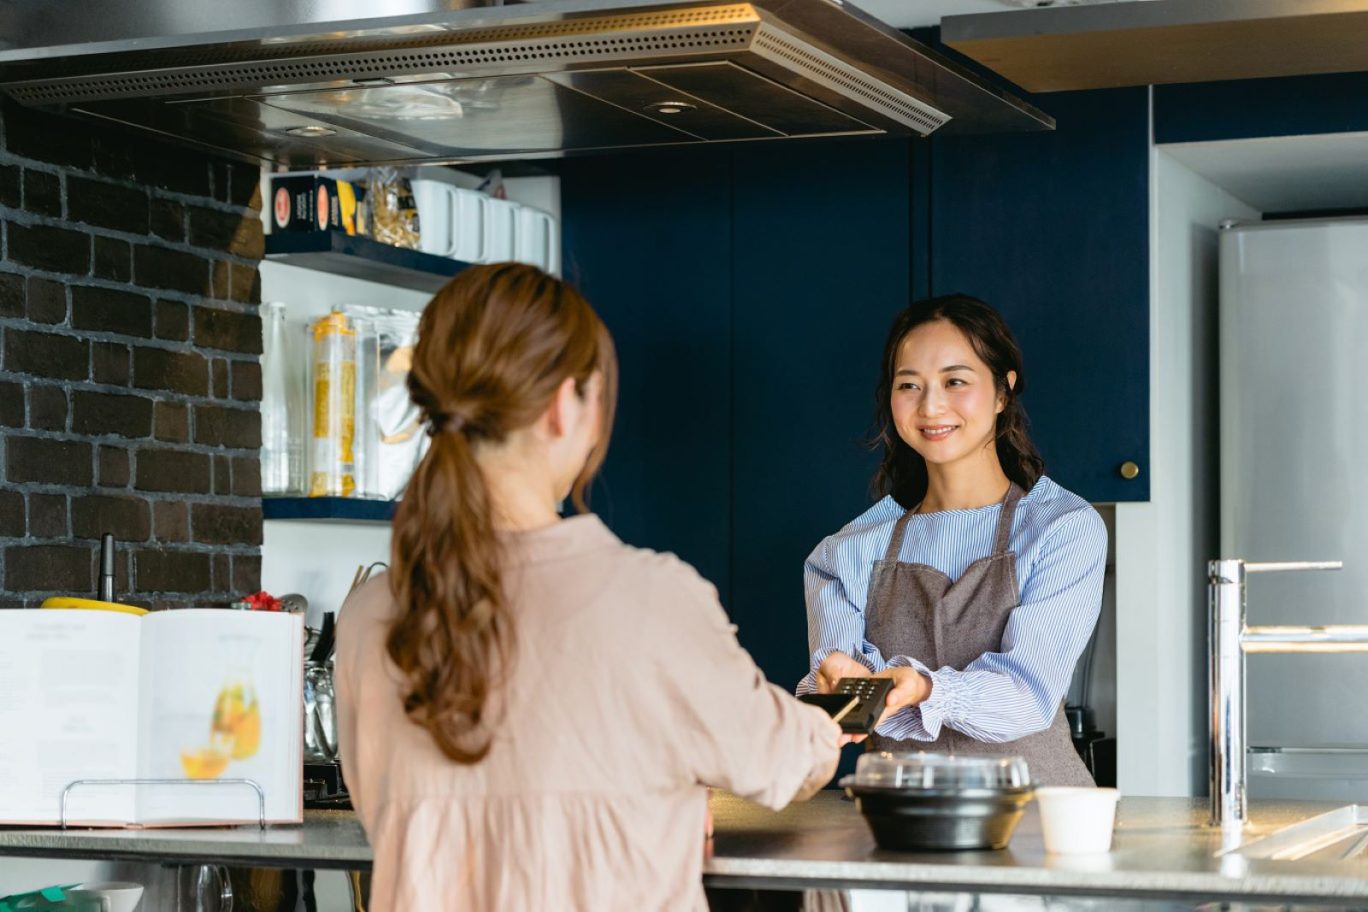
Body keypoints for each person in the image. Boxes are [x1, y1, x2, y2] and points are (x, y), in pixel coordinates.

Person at [335, 263, 843, 911]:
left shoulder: (368, 614)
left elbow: (385, 807)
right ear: (560, 407)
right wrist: (830, 721)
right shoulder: (651, 599)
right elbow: (786, 763)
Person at [798, 294, 1105, 786]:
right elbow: (843, 707)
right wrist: (833, 693)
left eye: (955, 381)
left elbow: (1027, 696)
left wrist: (921, 688)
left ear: (1003, 391)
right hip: (904, 824)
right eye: (909, 385)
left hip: (1039, 828)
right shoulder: (845, 553)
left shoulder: (1061, 529)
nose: (931, 406)